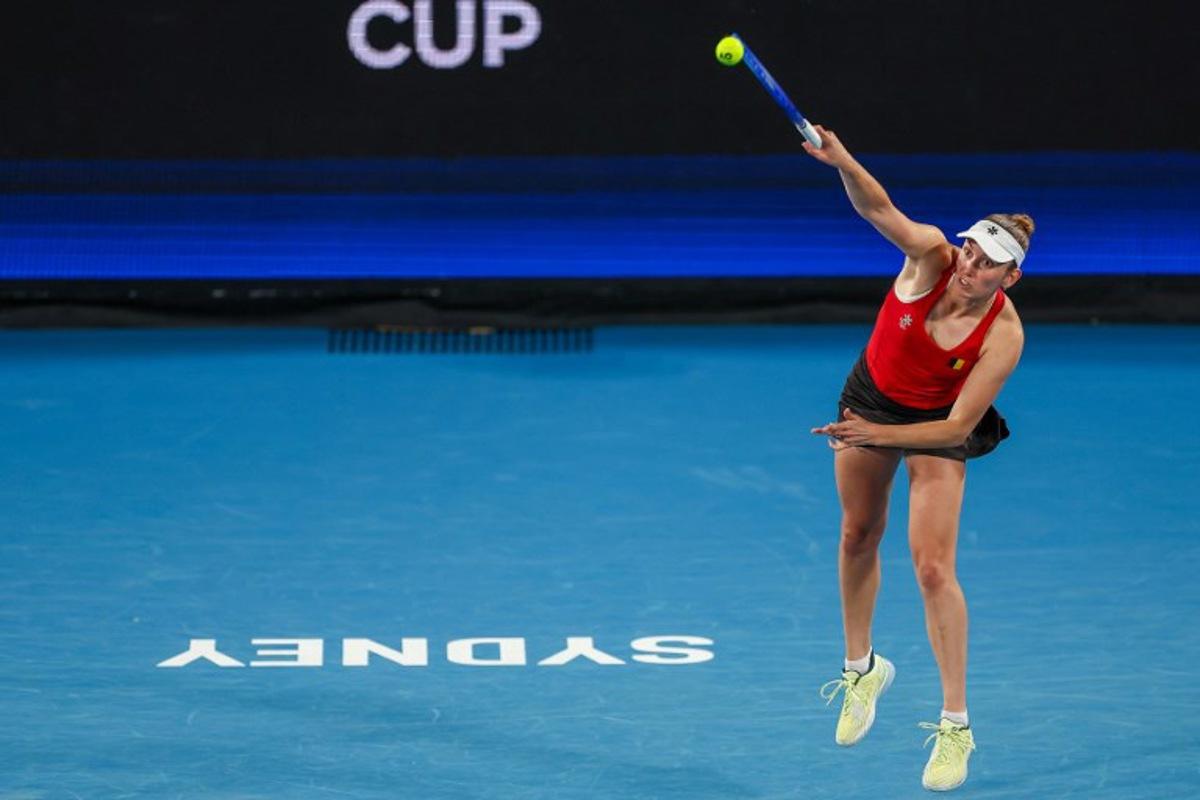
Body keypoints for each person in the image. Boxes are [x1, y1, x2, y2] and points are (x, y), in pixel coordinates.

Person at [803, 124, 1032, 792]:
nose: (969, 264)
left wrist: (878, 439)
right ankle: (861, 669)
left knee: (934, 568)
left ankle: (956, 724)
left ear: (1011, 275)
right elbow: (880, 209)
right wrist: (842, 158)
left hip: (936, 424)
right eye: (969, 248)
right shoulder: (929, 256)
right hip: (873, 397)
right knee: (857, 533)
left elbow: (959, 424)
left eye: (988, 262)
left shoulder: (1005, 335)